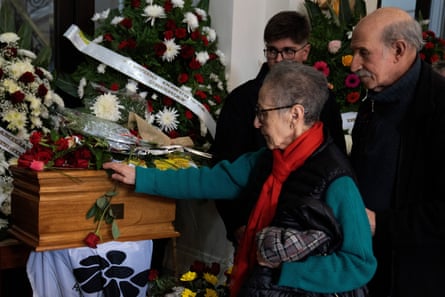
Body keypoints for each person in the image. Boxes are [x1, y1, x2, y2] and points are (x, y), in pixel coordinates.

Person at [104, 61, 376, 297]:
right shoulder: (265, 160)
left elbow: (359, 263)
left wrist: (286, 269)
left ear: (295, 114)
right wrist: (141, 176)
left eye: (262, 112)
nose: (256, 124)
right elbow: (205, 181)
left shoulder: (337, 179)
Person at [210, 10, 346, 246]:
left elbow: (336, 159)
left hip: (307, 228)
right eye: (272, 51)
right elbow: (223, 163)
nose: (280, 59)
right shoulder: (241, 100)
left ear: (306, 51)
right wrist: (237, 225)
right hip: (254, 220)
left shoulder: (324, 99)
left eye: (288, 51)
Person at [349, 7, 445, 297]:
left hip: (414, 278)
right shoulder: (375, 99)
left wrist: (380, 225)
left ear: (399, 50)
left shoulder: (439, 108)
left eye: (364, 52)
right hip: (364, 266)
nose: (354, 65)